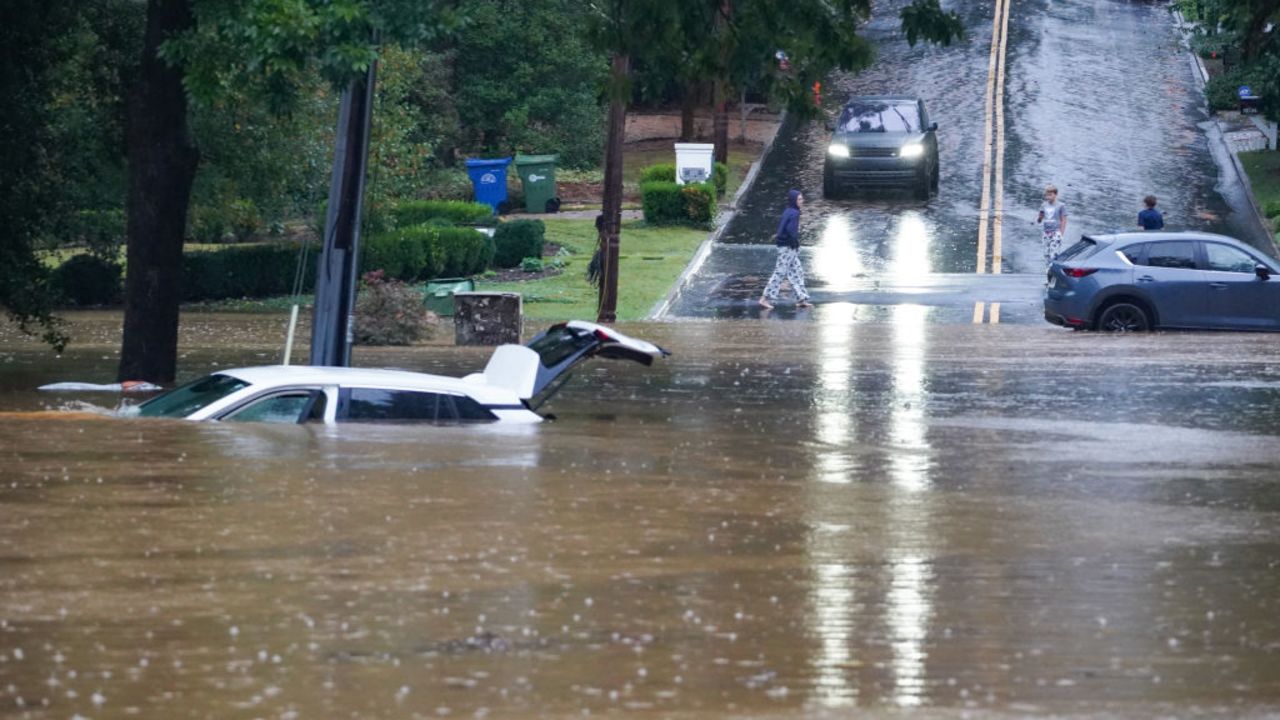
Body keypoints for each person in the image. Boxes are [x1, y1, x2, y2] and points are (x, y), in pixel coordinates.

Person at [759, 189, 812, 309]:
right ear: (794, 200)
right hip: (787, 247)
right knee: (780, 272)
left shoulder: (789, 211)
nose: (802, 201)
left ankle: (801, 298)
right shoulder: (794, 213)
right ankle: (764, 298)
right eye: (799, 199)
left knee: (797, 271)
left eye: (801, 198)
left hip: (787, 246)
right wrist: (795, 243)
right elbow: (790, 231)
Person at [1035, 184, 1068, 266]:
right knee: (1046, 253)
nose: (1048, 197)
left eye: (1050, 195)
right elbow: (1040, 217)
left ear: (1055, 194)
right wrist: (1039, 218)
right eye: (1046, 195)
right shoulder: (1044, 205)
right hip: (1046, 232)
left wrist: (1061, 233)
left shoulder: (1061, 205)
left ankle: (1054, 271)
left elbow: (1064, 220)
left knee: (1054, 253)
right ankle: (1048, 272)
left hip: (1056, 232)